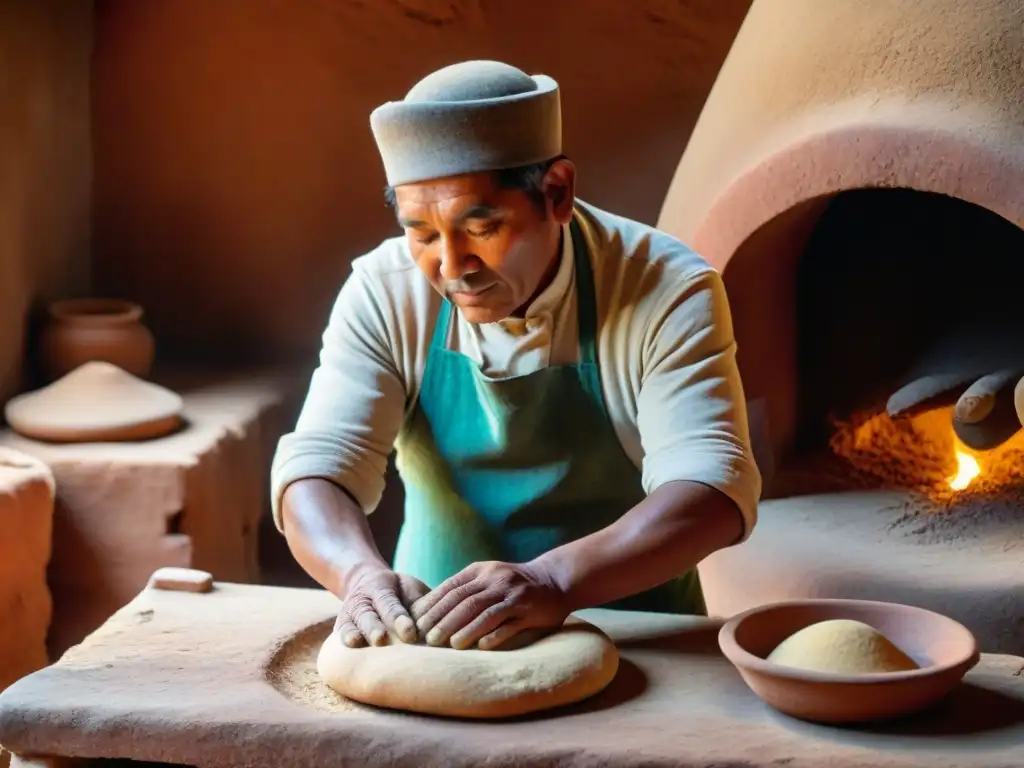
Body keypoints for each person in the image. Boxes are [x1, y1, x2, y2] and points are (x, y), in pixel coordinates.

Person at [270, 60, 762, 652]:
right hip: (430, 641)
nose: (451, 267)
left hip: (639, 639)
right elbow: (318, 469)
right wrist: (358, 577)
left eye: (481, 227)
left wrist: (552, 581)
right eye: (422, 234)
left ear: (556, 193)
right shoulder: (385, 290)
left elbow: (711, 492)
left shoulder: (664, 289)